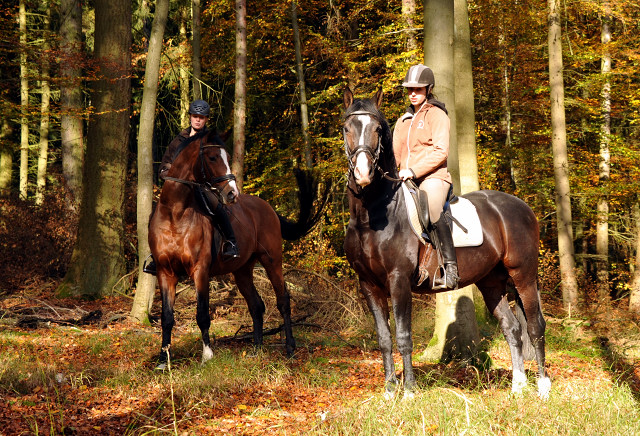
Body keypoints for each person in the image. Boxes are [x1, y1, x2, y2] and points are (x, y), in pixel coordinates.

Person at [143, 100, 239, 275]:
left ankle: (231, 242)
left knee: (217, 207)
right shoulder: (178, 141)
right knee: (155, 213)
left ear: (206, 120)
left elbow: (217, 162)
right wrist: (166, 172)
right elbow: (165, 165)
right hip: (178, 191)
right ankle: (154, 256)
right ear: (190, 117)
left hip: (202, 188)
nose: (198, 120)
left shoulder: (209, 140)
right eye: (195, 116)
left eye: (201, 117)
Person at [392, 64, 459, 290]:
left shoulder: (437, 114)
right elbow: (395, 155)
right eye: (410, 89)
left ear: (428, 89)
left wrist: (414, 170)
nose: (413, 93)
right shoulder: (402, 121)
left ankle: (450, 269)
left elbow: (441, 151)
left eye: (418, 89)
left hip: (433, 177)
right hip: (405, 179)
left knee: (431, 208)